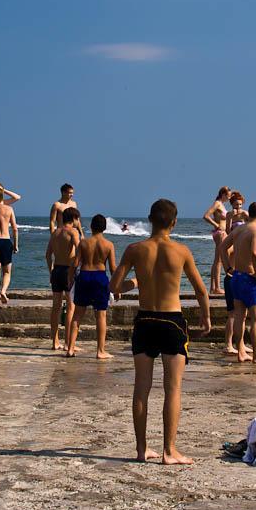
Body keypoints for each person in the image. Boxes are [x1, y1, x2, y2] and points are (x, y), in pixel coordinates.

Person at [110, 199, 211, 465]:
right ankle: (169, 451)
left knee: (141, 389)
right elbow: (201, 290)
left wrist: (137, 281)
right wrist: (206, 317)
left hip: (145, 320)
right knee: (173, 388)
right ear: (174, 222)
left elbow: (114, 286)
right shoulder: (181, 251)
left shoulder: (134, 249)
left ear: (149, 219)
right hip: (172, 322)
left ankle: (142, 449)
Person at [219, 202, 256, 366]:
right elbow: (255, 252)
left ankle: (241, 352)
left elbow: (222, 247)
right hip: (249, 279)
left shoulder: (239, 229)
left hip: (236, 277)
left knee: (239, 317)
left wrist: (228, 267)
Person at [67, 214, 118, 359]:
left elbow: (75, 264)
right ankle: (100, 351)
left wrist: (70, 280)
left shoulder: (83, 243)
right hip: (100, 277)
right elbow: (113, 268)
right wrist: (116, 286)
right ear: (105, 228)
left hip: (84, 276)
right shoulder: (109, 245)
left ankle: (70, 349)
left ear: (91, 227)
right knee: (101, 315)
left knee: (77, 314)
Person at [45, 208, 81, 352]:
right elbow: (79, 251)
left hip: (56, 270)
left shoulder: (55, 233)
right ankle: (67, 343)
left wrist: (51, 271)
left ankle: (55, 342)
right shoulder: (73, 232)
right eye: (78, 219)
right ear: (73, 218)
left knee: (56, 307)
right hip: (68, 270)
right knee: (71, 307)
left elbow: (47, 255)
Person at [202, 186, 231, 294]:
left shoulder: (221, 205)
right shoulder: (217, 203)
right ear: (223, 194)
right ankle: (217, 287)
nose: (229, 198)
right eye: (228, 196)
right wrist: (217, 225)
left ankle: (212, 288)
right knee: (219, 260)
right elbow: (206, 216)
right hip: (219, 233)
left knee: (217, 260)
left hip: (221, 233)